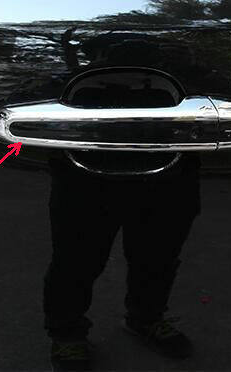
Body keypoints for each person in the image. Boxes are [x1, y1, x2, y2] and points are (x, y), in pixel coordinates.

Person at [45, 153, 200, 371]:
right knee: (77, 258)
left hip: (169, 164)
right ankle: (67, 334)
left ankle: (146, 317)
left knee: (159, 254)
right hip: (86, 165)